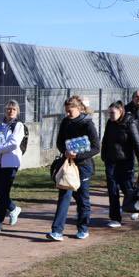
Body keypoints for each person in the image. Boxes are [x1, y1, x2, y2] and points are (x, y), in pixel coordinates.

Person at [48, 96, 100, 241]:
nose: (68, 114)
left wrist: (78, 155)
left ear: (79, 108)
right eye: (66, 111)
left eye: (70, 111)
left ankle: (83, 228)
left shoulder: (87, 124)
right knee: (64, 197)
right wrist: (65, 152)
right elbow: (59, 142)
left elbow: (96, 147)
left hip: (83, 167)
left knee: (82, 199)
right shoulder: (65, 122)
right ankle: (57, 231)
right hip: (67, 166)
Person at [100, 101, 139, 228]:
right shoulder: (110, 123)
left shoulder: (129, 123)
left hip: (125, 162)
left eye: (113, 112)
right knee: (112, 189)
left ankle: (135, 207)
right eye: (109, 113)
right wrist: (104, 155)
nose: (111, 115)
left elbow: (137, 144)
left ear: (120, 111)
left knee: (127, 188)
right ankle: (115, 218)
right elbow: (105, 140)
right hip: (111, 161)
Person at [0, 100, 25, 232]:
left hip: (10, 164)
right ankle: (13, 208)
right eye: (8, 109)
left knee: (3, 191)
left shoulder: (18, 125)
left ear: (17, 112)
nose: (10, 112)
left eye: (13, 109)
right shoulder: (0, 124)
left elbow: (14, 143)